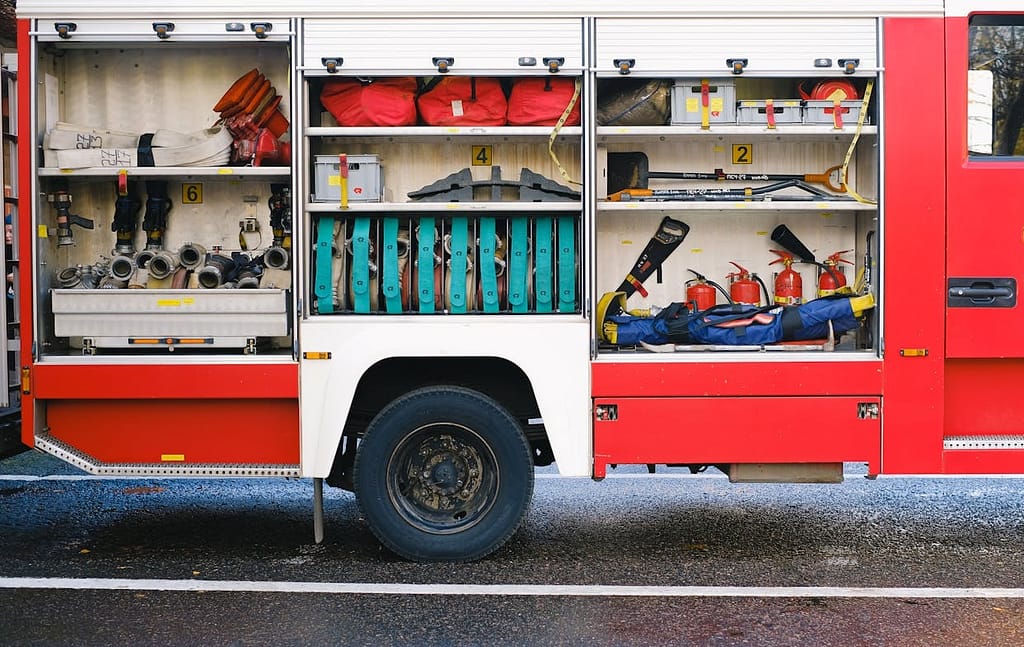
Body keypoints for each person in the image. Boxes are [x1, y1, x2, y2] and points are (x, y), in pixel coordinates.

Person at [597, 290, 874, 347]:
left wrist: (861, 302)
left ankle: (619, 330)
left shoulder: (797, 321)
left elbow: (820, 312)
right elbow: (826, 312)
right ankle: (626, 324)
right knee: (680, 327)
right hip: (768, 326)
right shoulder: (827, 325)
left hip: (768, 327)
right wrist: (854, 307)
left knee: (681, 327)